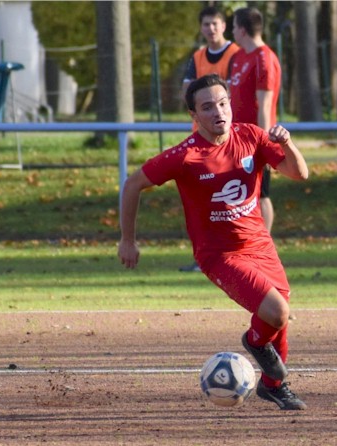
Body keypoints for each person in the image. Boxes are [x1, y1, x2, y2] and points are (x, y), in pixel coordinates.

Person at [118, 74, 309, 411]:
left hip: (261, 246)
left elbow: (299, 173)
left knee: (279, 319)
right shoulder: (185, 156)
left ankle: (274, 386)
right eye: (207, 107)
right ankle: (252, 342)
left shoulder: (251, 136)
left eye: (223, 103)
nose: (218, 112)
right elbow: (132, 185)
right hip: (220, 255)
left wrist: (287, 143)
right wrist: (127, 240)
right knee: (276, 313)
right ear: (194, 116)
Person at [178, 6, 241, 273]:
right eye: (206, 24)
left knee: (243, 197)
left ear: (223, 26)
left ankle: (243, 249)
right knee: (202, 200)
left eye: (214, 24)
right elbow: (187, 91)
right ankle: (204, 255)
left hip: (230, 138)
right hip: (201, 140)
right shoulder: (197, 56)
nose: (210, 29)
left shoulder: (236, 54)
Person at [228, 6, 280, 233]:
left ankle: (264, 244)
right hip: (235, 140)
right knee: (237, 194)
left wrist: (264, 145)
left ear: (241, 30)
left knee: (262, 193)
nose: (231, 31)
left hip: (254, 141)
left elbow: (265, 105)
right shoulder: (239, 56)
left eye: (233, 26)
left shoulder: (263, 58)